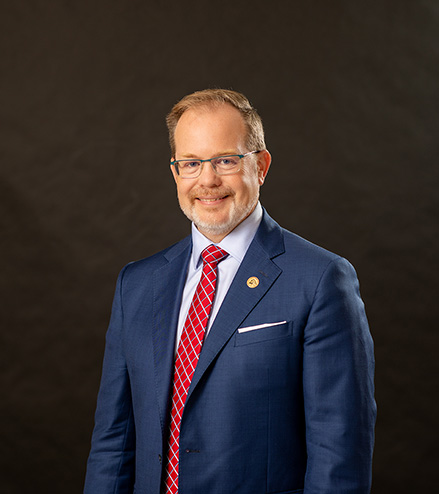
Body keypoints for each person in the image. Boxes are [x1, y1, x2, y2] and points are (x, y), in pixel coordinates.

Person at [84, 89, 376, 494]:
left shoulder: (321, 279)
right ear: (175, 173)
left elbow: (339, 452)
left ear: (261, 166)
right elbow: (112, 446)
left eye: (226, 160)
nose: (208, 180)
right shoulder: (136, 285)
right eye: (191, 163)